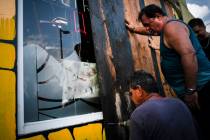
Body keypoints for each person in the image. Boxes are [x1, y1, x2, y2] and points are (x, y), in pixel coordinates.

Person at [125, 4, 210, 139]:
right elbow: (149, 31)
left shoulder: (171, 27)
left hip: (202, 91)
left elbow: (189, 54)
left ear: (158, 16)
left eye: (148, 24)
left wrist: (190, 91)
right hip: (198, 91)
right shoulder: (165, 28)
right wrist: (134, 29)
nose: (147, 28)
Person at [128, 70, 199, 140]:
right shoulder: (179, 103)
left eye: (131, 93)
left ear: (139, 90)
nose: (131, 98)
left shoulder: (138, 115)